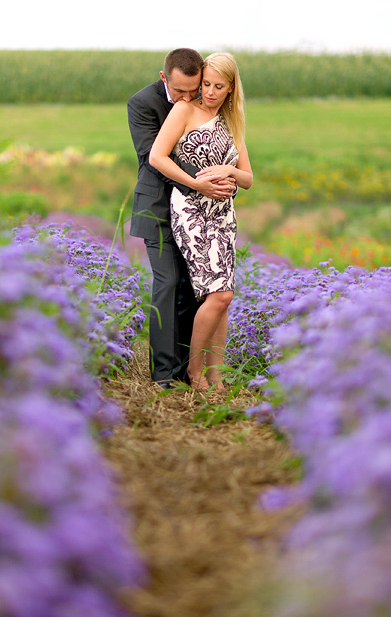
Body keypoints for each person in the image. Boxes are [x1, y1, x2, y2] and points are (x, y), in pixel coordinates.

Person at [128, 48, 236, 389]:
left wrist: (225, 179)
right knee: (169, 282)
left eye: (196, 89)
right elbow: (151, 157)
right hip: (158, 207)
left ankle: (188, 369)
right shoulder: (142, 103)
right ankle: (164, 376)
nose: (188, 98)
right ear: (164, 78)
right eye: (180, 92)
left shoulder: (201, 100)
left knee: (196, 291)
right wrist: (202, 182)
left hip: (200, 213)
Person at [148, 52, 253, 391]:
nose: (208, 92)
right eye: (205, 84)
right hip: (191, 212)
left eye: (217, 86)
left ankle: (216, 374)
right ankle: (194, 373)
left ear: (230, 89)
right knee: (218, 294)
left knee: (223, 297)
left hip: (223, 215)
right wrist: (196, 182)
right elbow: (157, 156)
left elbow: (248, 178)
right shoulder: (183, 110)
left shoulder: (232, 121)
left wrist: (229, 170)